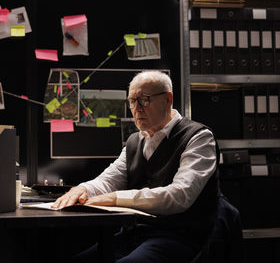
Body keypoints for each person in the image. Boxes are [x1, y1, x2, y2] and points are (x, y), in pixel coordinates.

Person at [52, 70, 220, 263]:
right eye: (132, 101)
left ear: (168, 99)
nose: (137, 108)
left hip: (178, 236)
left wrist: (115, 199)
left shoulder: (198, 137)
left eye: (145, 100)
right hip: (136, 234)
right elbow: (109, 180)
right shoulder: (135, 140)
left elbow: (180, 195)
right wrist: (83, 189)